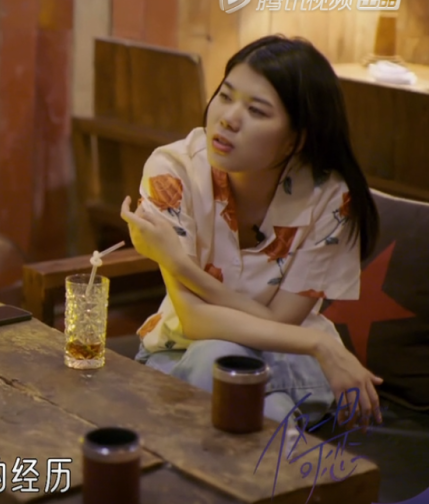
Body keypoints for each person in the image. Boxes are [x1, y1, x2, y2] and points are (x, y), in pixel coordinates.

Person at [119, 35, 383, 429]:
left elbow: (281, 323)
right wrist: (320, 344)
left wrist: (179, 263)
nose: (228, 118)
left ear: (296, 138)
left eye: (256, 110)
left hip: (287, 357)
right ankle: (285, 458)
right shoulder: (173, 171)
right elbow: (194, 320)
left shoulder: (330, 197)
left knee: (222, 370)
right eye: (225, 96)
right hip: (181, 353)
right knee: (234, 376)